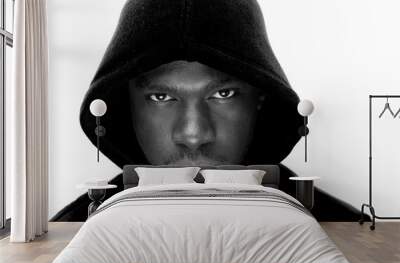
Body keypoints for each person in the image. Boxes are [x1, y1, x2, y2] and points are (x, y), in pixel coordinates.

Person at [51, 0, 364, 222]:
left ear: (261, 98)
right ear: (125, 103)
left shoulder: (343, 231)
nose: (193, 135)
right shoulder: (74, 229)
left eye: (222, 94)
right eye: (161, 96)